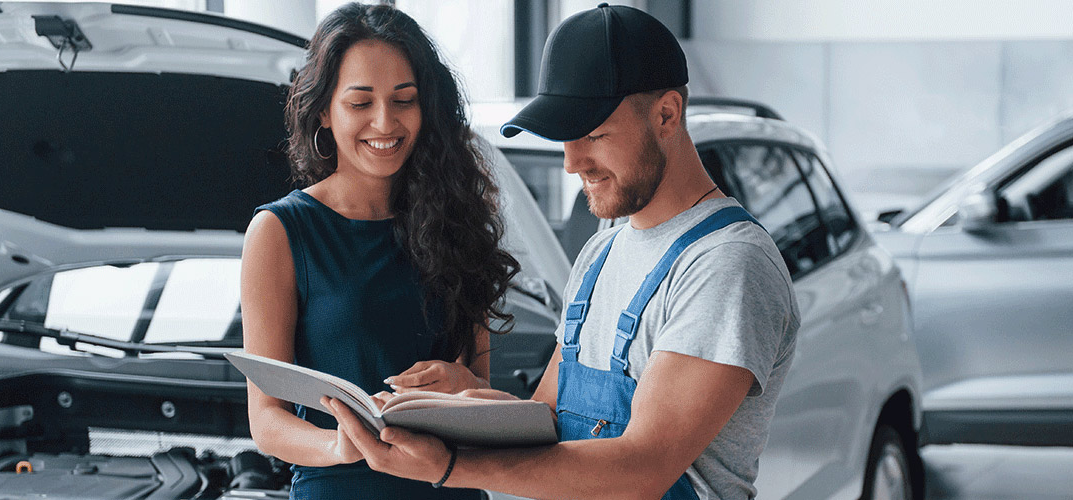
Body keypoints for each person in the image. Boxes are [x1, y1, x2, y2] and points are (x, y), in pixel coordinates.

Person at [325, 4, 800, 499]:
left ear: (666, 115)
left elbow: (642, 470)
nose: (572, 162)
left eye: (593, 134)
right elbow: (549, 421)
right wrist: (464, 397)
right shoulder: (601, 254)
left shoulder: (726, 264)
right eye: (565, 137)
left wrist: (450, 465)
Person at [239, 3, 518, 499]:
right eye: (360, 103)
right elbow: (266, 420)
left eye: (404, 100)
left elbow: (482, 390)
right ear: (324, 111)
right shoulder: (279, 231)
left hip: (451, 485)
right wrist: (339, 445)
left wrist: (461, 383)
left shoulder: (457, 223)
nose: (385, 122)